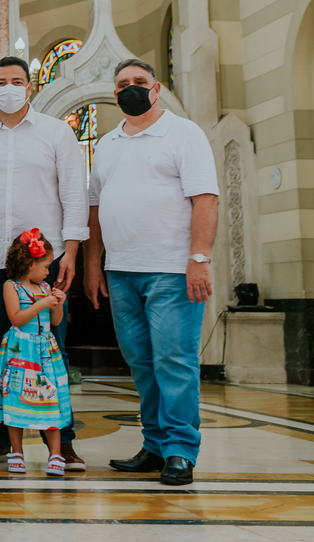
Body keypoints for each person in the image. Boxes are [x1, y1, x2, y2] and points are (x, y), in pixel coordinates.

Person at [86, 58, 219, 486]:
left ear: (156, 88)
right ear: (114, 94)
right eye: (123, 84)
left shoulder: (183, 133)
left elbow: (206, 199)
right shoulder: (106, 143)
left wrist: (199, 259)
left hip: (171, 271)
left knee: (174, 361)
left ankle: (181, 450)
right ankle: (155, 444)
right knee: (141, 362)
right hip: (121, 271)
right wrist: (94, 264)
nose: (131, 88)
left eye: (139, 82)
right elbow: (94, 209)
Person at [0, 56, 88, 470]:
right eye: (0, 81)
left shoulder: (56, 133)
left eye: (16, 81)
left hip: (43, 264)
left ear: (29, 87)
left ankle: (61, 440)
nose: (8, 87)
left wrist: (71, 252)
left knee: (52, 349)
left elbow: (74, 194)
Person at [0, 229, 73, 477]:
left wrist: (60, 303)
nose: (49, 272)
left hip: (45, 352)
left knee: (51, 400)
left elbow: (55, 322)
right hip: (20, 352)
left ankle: (55, 453)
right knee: (15, 400)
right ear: (29, 263)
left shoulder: (46, 288)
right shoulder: (11, 287)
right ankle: (16, 451)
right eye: (46, 266)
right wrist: (41, 304)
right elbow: (16, 318)